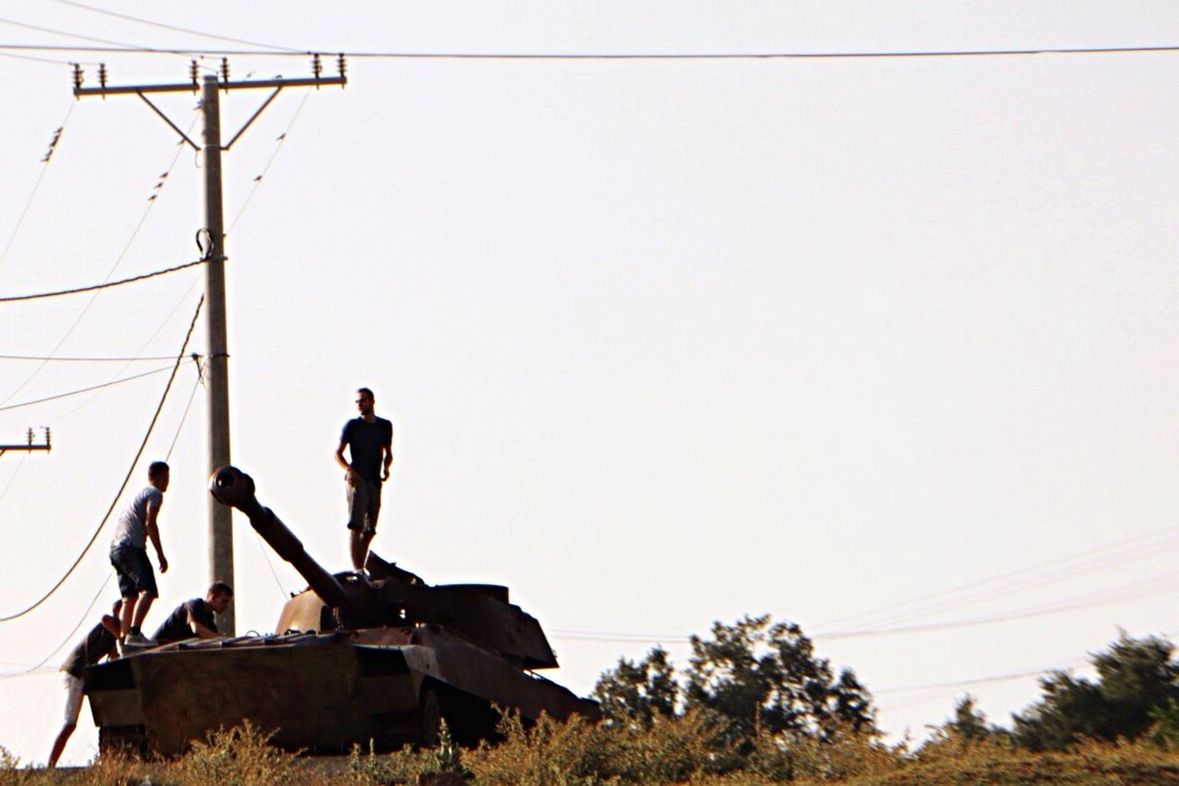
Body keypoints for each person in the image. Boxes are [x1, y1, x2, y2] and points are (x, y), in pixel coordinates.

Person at [47, 600, 122, 768]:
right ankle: (50, 765)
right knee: (69, 723)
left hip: (83, 676)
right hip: (76, 673)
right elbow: (106, 620)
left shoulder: (113, 635)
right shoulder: (110, 623)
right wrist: (123, 637)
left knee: (74, 724)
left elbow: (115, 656)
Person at [109, 461, 169, 646]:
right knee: (149, 590)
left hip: (116, 549)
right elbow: (150, 523)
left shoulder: (139, 494)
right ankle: (134, 632)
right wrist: (160, 554)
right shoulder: (154, 493)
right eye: (167, 477)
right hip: (131, 548)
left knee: (130, 598)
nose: (168, 482)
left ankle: (125, 641)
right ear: (160, 477)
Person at [334, 387, 394, 570]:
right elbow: (338, 453)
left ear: (372, 401)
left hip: (374, 480)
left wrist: (386, 467)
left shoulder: (384, 426)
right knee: (356, 526)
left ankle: (361, 563)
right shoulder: (352, 426)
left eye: (363, 400)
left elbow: (388, 452)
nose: (360, 405)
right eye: (357, 401)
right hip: (358, 479)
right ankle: (358, 569)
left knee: (370, 530)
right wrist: (349, 470)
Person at [151, 582, 233, 644]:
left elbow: (213, 638)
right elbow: (196, 629)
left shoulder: (208, 617)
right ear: (213, 598)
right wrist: (225, 639)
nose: (226, 606)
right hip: (157, 647)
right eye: (224, 601)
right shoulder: (195, 604)